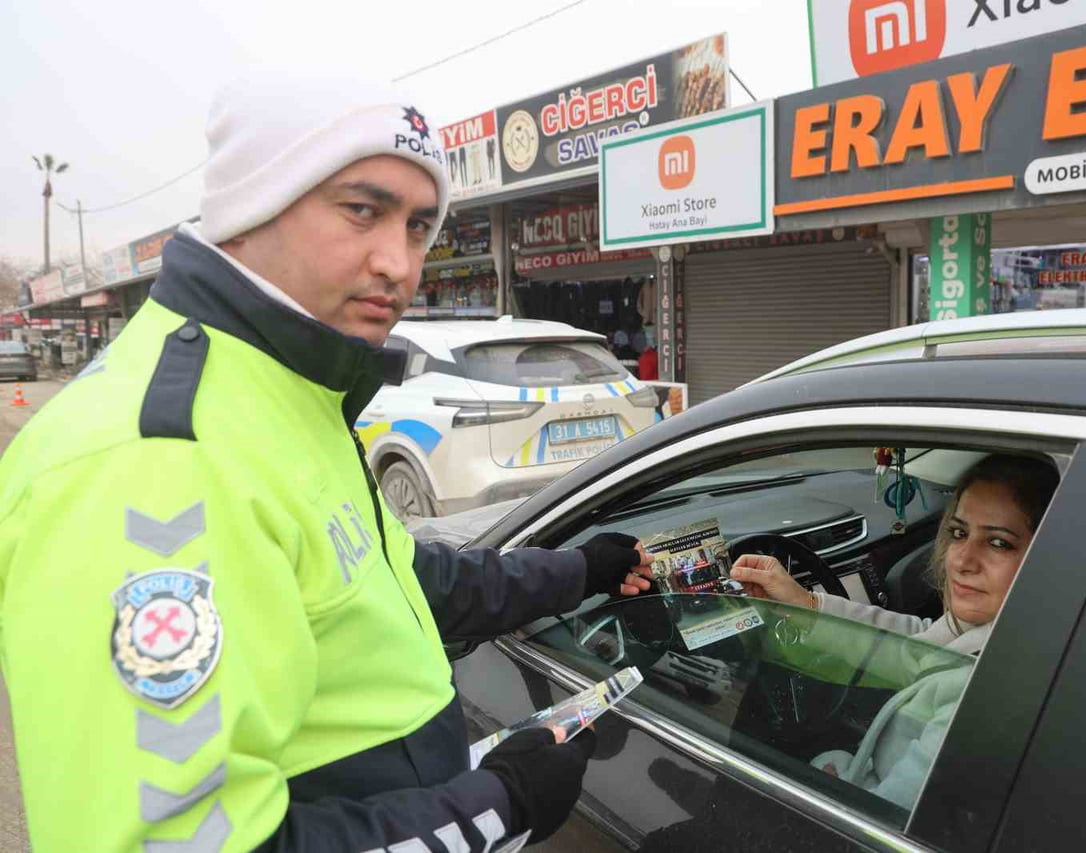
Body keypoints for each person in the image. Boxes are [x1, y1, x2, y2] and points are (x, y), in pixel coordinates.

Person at [0, 74, 655, 852]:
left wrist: (578, 569)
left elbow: (398, 586)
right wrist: (499, 803)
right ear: (253, 204)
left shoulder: (290, 390)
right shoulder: (150, 459)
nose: (400, 264)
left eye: (419, 225)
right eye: (362, 210)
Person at [730, 454, 1060, 808]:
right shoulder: (1008, 633)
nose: (962, 560)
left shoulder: (986, 698)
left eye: (999, 543)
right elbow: (916, 647)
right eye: (959, 533)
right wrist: (807, 604)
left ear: (1050, 559)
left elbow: (884, 818)